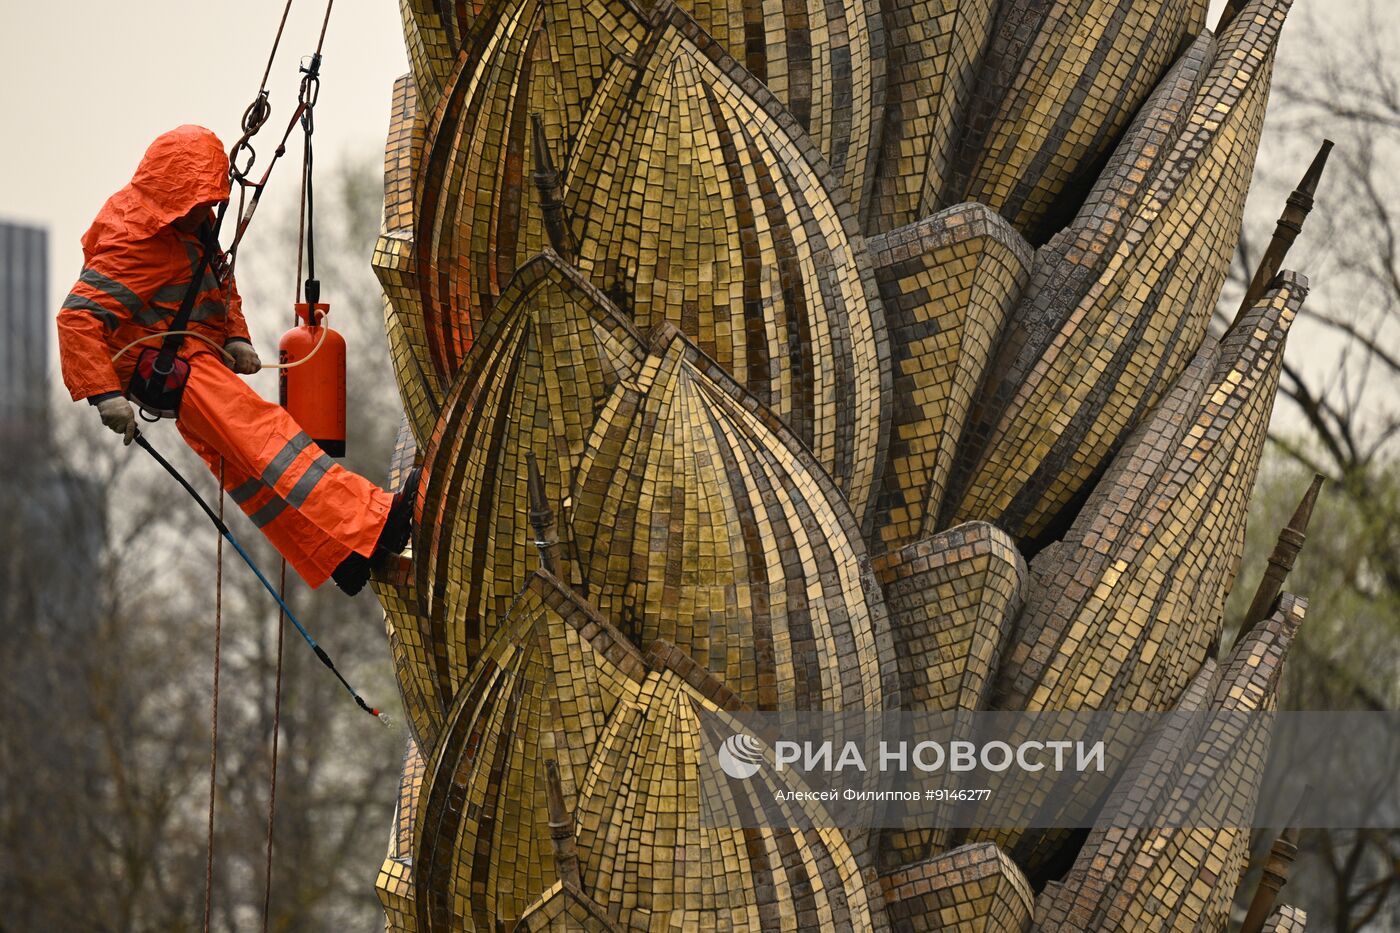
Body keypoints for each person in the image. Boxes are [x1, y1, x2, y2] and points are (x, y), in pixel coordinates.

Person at [56, 125, 416, 596]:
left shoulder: (192, 226)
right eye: (196, 202)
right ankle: (375, 521)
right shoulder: (137, 239)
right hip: (175, 364)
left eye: (209, 200)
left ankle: (340, 554)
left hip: (188, 359)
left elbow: (218, 281)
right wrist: (104, 395)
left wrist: (236, 336)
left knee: (248, 471)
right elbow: (77, 318)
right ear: (170, 194)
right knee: (268, 439)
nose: (204, 210)